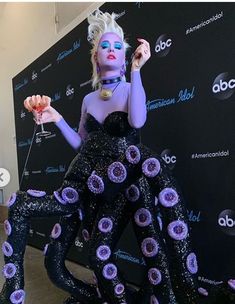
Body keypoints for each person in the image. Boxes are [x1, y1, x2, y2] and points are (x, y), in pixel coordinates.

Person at [1, 9, 235, 304]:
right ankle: (15, 291)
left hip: (126, 183)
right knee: (68, 242)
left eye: (116, 47)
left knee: (118, 253)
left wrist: (137, 71)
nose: (110, 51)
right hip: (85, 179)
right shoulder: (88, 99)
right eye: (104, 46)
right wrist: (56, 117)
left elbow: (137, 121)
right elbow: (81, 144)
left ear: (124, 58)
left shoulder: (128, 88)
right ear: (95, 57)